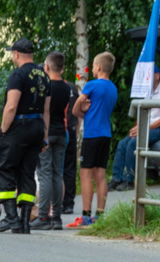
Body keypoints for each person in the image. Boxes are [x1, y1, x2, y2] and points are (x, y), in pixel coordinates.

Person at [0, 38, 50, 234]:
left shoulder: (18, 75)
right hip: (37, 127)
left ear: (16, 54)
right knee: (27, 172)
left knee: (3, 169)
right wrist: (45, 136)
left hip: (18, 126)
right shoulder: (44, 75)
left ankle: (11, 218)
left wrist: (3, 131)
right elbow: (47, 110)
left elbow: (11, 105)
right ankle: (24, 221)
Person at [67, 51, 117, 228]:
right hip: (106, 134)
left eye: (94, 66)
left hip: (92, 134)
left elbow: (75, 109)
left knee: (86, 174)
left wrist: (82, 110)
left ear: (98, 67)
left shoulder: (92, 85)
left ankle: (86, 215)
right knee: (101, 174)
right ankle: (100, 215)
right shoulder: (113, 87)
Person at [109, 66, 160, 191]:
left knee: (133, 143)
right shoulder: (147, 92)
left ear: (157, 76)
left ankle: (129, 180)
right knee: (122, 143)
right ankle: (116, 179)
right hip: (149, 127)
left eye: (149, 75)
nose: (147, 78)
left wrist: (143, 129)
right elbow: (143, 113)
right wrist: (137, 127)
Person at [31, 51, 71, 230]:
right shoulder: (67, 87)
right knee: (57, 173)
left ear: (46, 67)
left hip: (47, 132)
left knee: (44, 173)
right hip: (61, 133)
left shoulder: (46, 86)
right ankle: (57, 217)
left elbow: (42, 110)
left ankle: (43, 216)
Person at [61, 80, 80, 215]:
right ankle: (68, 203)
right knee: (70, 168)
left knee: (55, 169)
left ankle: (56, 203)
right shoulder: (72, 87)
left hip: (58, 130)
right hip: (71, 130)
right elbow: (77, 114)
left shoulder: (51, 85)